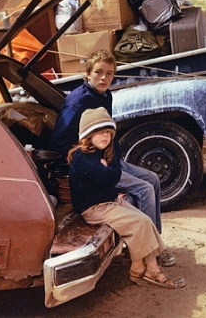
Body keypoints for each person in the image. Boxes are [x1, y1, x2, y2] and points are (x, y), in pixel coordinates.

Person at [50, 49, 175, 267]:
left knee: (153, 179)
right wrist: (87, 158)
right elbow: (59, 142)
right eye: (98, 72)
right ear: (87, 74)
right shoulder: (77, 102)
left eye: (109, 74)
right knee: (144, 189)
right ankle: (151, 253)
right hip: (95, 166)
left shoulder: (105, 95)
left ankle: (154, 240)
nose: (104, 78)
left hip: (111, 160)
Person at [68, 108, 184, 289]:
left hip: (109, 202)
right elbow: (111, 177)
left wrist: (109, 167)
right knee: (139, 223)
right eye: (99, 132)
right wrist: (109, 169)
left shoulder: (101, 154)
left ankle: (140, 266)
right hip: (94, 209)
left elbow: (112, 172)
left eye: (108, 132)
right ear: (88, 135)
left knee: (145, 221)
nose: (105, 136)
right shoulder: (82, 157)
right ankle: (150, 270)